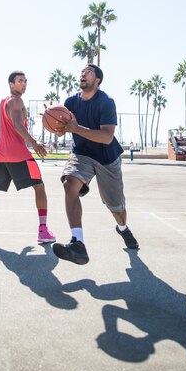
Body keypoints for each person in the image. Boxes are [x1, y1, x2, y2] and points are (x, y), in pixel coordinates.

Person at [52, 64, 139, 265]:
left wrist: (77, 128)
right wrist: (54, 122)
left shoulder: (106, 102)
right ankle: (78, 244)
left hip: (106, 158)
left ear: (97, 80)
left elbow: (107, 137)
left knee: (116, 207)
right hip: (82, 153)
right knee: (69, 184)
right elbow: (62, 130)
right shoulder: (70, 102)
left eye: (88, 72)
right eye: (81, 71)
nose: (83, 74)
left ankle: (123, 228)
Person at [0, 70, 56, 244]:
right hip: (19, 154)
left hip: (0, 154)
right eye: (20, 81)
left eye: (25, 81)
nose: (24, 84)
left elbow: (12, 123)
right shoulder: (16, 100)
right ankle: (43, 230)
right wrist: (34, 143)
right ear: (11, 84)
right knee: (39, 187)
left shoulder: (3, 102)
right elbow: (16, 125)